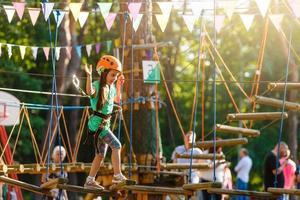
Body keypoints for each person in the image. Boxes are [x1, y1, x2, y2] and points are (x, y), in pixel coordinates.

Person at [84, 55, 126, 190]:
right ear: (104, 73)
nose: (114, 78)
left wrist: (119, 85)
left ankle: (89, 180)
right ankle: (117, 174)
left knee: (100, 155)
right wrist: (89, 76)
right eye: (112, 75)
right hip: (97, 125)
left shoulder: (111, 87)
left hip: (104, 125)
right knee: (117, 145)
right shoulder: (97, 85)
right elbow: (89, 92)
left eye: (116, 76)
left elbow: (117, 100)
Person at [171, 131, 203, 200]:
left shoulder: (198, 151)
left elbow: (200, 167)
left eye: (191, 138)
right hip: (180, 175)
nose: (188, 139)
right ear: (184, 138)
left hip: (193, 175)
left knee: (193, 190)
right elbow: (174, 164)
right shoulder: (178, 149)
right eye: (187, 137)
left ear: (194, 140)